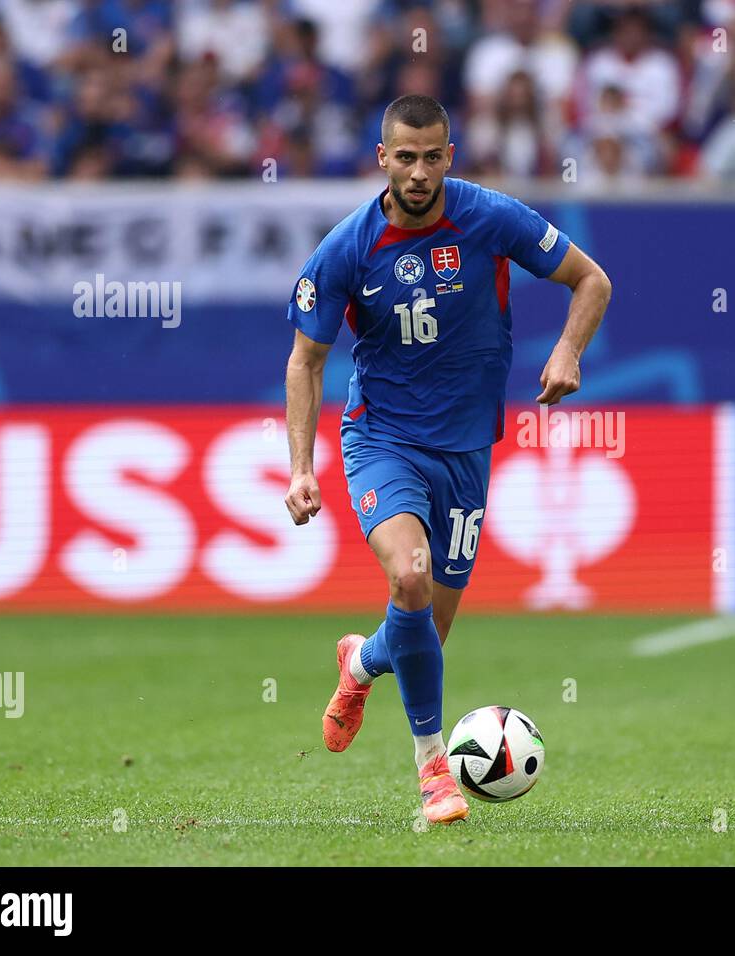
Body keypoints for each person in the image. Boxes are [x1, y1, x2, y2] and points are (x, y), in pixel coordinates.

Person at [282, 95, 612, 825]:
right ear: (382, 159)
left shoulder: (490, 217)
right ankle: (434, 769)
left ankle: (361, 662)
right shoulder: (345, 249)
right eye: (406, 157)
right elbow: (306, 362)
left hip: (466, 452)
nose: (420, 172)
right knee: (410, 577)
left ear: (449, 156)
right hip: (381, 441)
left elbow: (592, 280)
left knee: (421, 632)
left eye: (433, 156)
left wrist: (567, 349)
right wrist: (301, 467)